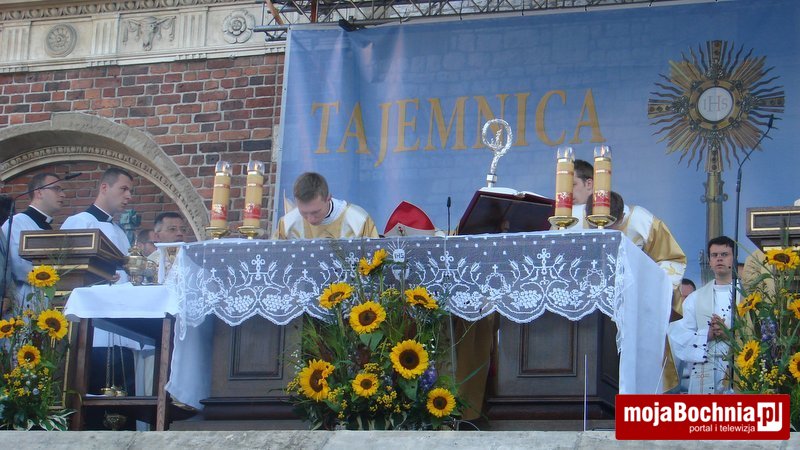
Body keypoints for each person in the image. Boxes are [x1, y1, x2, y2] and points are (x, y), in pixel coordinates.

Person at [669, 236, 738, 394]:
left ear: (733, 258)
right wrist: (707, 334)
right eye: (714, 255)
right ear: (709, 261)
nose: (719, 258)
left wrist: (729, 333)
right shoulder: (695, 298)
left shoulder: (746, 296)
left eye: (724, 254)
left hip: (738, 366)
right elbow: (677, 336)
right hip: (704, 368)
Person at [1, 173, 66, 311]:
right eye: (57, 189)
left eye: (62, 190)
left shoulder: (47, 227)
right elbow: (17, 265)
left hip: (47, 297)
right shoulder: (17, 222)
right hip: (25, 297)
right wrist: (56, 274)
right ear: (39, 192)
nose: (63, 195)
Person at [61, 167, 134, 282]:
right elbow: (66, 267)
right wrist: (102, 275)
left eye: (130, 191)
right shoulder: (80, 221)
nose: (129, 196)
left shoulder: (119, 231)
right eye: (123, 189)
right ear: (104, 188)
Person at [272, 172, 378, 239]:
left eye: (316, 212)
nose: (311, 219)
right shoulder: (287, 224)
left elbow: (376, 262)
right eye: (304, 213)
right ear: (296, 202)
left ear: (328, 198)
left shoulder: (359, 221)